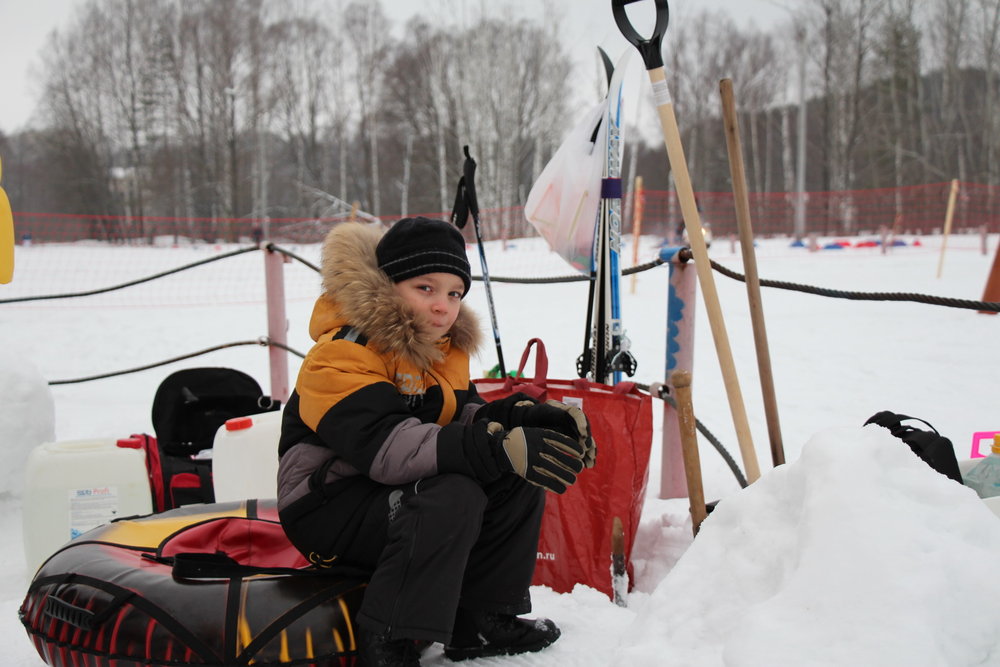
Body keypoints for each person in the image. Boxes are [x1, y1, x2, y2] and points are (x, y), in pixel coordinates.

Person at [276, 217, 597, 666]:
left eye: (453, 293)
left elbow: (464, 417)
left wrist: (526, 416)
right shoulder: (341, 353)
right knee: (452, 493)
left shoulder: (441, 350)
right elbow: (386, 447)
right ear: (387, 285)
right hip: (326, 506)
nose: (443, 306)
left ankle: (484, 617)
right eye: (425, 288)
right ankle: (388, 640)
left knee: (512, 474)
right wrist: (495, 445)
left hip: (386, 495)